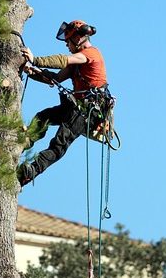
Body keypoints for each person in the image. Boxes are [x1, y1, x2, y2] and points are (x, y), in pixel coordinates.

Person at [18, 19, 109, 186]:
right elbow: (56, 78)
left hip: (88, 111)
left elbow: (63, 60)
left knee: (59, 143)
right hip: (76, 107)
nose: (67, 45)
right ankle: (23, 142)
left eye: (68, 41)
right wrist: (33, 72)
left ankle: (31, 171)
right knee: (43, 116)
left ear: (78, 38)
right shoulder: (77, 62)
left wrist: (35, 59)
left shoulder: (90, 54)